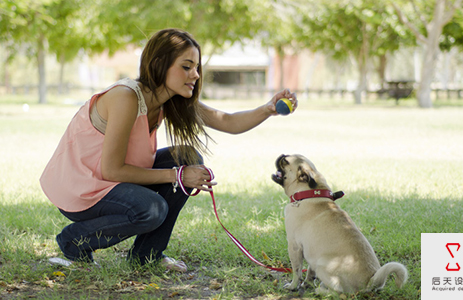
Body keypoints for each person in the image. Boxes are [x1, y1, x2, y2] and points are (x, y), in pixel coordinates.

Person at [40, 28, 297, 272]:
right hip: (84, 188)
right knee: (151, 208)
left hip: (112, 181)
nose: (195, 75)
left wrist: (268, 109)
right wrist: (178, 176)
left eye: (196, 67)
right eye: (186, 67)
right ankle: (74, 241)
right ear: (159, 64)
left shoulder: (170, 100)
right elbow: (112, 169)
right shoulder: (125, 97)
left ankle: (146, 256)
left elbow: (227, 121)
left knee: (187, 156)